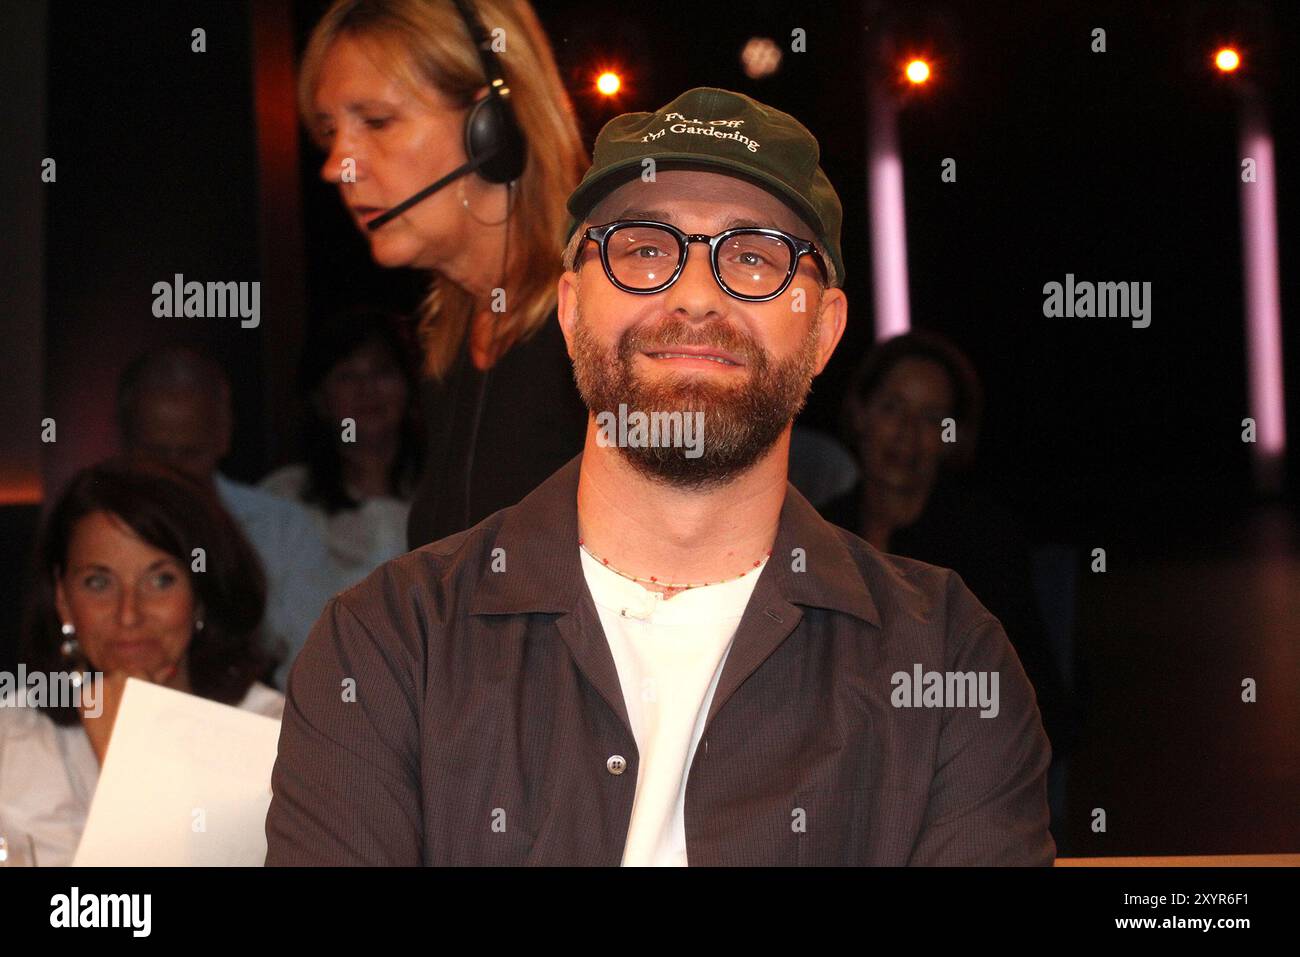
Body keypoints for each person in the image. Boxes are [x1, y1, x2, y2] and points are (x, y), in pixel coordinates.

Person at [266, 87, 1054, 866]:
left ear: (824, 331)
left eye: (754, 256)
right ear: (571, 309)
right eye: (644, 248)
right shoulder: (391, 644)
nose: (696, 296)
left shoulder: (948, 658)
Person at [298, 0, 589, 548]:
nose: (336, 164)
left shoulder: (610, 319)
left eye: (377, 121)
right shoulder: (448, 346)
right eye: (329, 130)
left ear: (491, 128)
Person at [0, 460, 284, 866]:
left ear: (200, 592)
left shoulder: (274, 739)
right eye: (98, 582)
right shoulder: (11, 736)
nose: (128, 614)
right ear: (63, 599)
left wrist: (134, 758)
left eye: (160, 580)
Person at [822, 332, 1081, 761]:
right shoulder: (818, 531)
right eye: (892, 409)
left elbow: (1030, 701)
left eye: (931, 418)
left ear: (953, 438)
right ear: (859, 413)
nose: (907, 435)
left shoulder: (984, 541)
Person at [116, 342, 329, 686]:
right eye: (157, 454)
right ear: (126, 442)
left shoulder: (283, 528)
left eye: (189, 453)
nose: (172, 471)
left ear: (223, 435)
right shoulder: (96, 535)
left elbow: (312, 664)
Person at [260, 309, 422, 687]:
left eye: (381, 372)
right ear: (319, 398)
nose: (367, 390)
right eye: (348, 376)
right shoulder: (282, 500)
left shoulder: (446, 493)